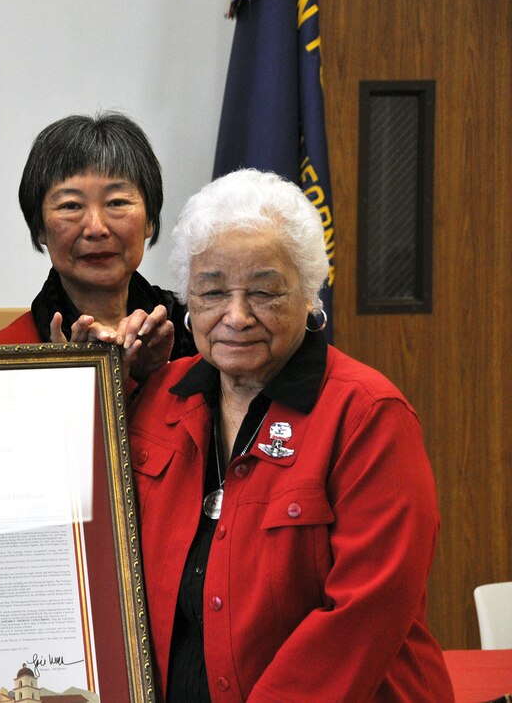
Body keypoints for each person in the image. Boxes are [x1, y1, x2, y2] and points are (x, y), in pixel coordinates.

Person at [130, 169, 452, 701]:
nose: (236, 316)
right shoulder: (158, 400)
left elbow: (365, 611)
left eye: (264, 291)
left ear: (308, 294)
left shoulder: (367, 415)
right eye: (211, 291)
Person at [0, 111, 195, 363]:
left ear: (150, 219)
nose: (96, 228)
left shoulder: (196, 334)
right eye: (71, 206)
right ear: (40, 226)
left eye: (117, 202)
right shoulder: (6, 356)